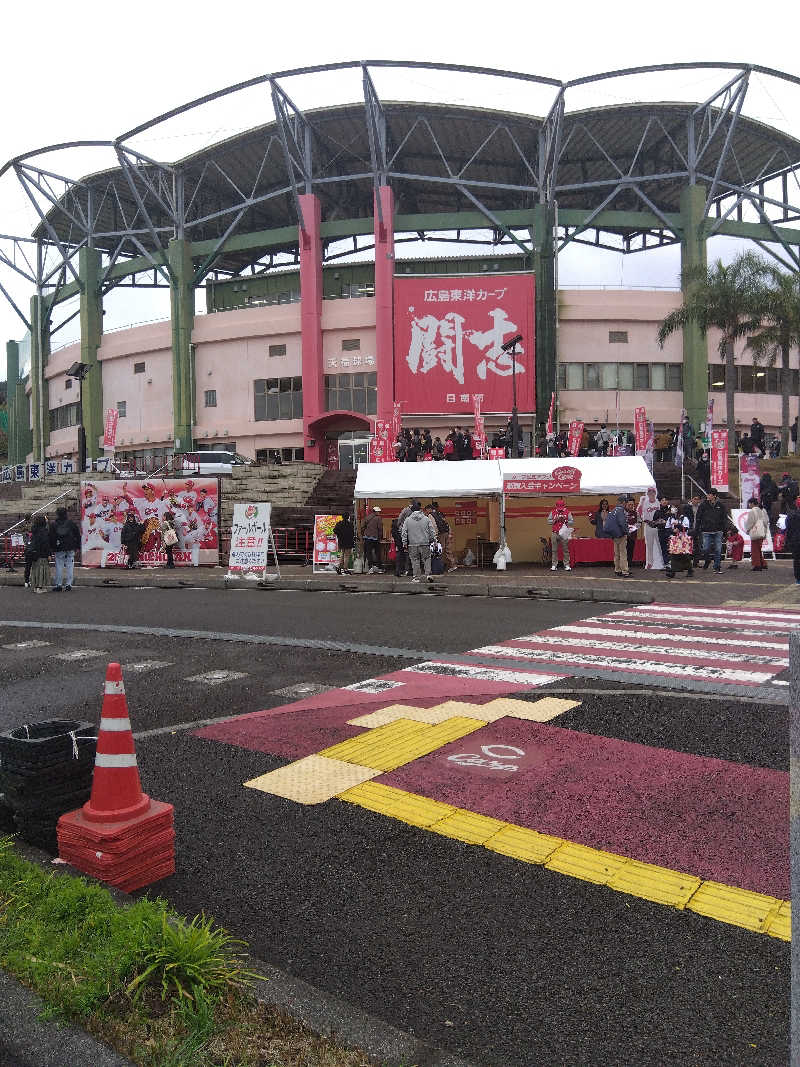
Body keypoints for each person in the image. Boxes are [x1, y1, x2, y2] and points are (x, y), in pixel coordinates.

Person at [401, 502, 438, 583]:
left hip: (412, 544)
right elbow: (432, 530)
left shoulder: (407, 520)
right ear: (420, 510)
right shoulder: (426, 519)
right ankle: (428, 574)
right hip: (424, 542)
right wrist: (434, 540)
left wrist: (404, 542)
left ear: (412, 510)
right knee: (427, 559)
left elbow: (404, 532)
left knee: (415, 560)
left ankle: (417, 577)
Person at [695, 488, 729, 573]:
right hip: (706, 531)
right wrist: (697, 529)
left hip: (718, 530)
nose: (708, 496)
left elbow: (724, 518)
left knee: (718, 549)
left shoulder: (721, 505)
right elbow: (698, 517)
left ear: (714, 496)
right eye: (707, 494)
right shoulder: (703, 505)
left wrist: (725, 530)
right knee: (705, 548)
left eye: (710, 494)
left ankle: (717, 567)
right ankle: (708, 559)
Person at [49, 505, 81, 591]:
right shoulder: (71, 523)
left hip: (59, 547)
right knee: (70, 566)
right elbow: (77, 535)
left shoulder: (53, 524)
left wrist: (52, 548)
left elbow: (51, 537)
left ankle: (58, 584)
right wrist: (78, 546)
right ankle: (69, 584)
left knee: (59, 566)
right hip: (70, 546)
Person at [637, 487, 665, 570]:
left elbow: (662, 512)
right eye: (650, 492)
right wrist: (641, 502)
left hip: (657, 525)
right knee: (649, 545)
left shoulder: (658, 502)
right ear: (648, 493)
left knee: (660, 544)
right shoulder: (644, 502)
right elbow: (639, 511)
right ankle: (649, 562)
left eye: (653, 491)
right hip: (648, 525)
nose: (651, 493)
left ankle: (663, 562)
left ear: (655, 493)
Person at [603, 494, 631, 577]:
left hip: (614, 535)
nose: (626, 504)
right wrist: (627, 532)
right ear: (623, 502)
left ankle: (617, 569)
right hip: (621, 535)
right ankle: (625, 571)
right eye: (626, 503)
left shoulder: (613, 510)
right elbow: (622, 522)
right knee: (623, 553)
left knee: (617, 553)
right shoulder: (620, 511)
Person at [664, 506, 693, 579]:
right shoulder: (670, 518)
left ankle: (690, 570)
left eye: (674, 508)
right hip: (674, 540)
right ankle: (672, 572)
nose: (673, 510)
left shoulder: (684, 518)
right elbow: (667, 528)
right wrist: (672, 531)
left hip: (683, 539)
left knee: (685, 555)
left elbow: (686, 528)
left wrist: (678, 527)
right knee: (673, 555)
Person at [744, 496, 770, 572]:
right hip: (762, 531)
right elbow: (766, 521)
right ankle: (763, 563)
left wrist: (748, 530)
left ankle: (757, 565)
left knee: (755, 549)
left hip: (755, 532)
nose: (749, 505)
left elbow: (750, 523)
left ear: (752, 503)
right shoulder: (762, 510)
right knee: (758, 548)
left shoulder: (753, 511)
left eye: (749, 503)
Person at [547, 498, 574, 571]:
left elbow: (572, 521)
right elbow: (548, 521)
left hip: (564, 533)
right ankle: (554, 565)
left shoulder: (568, 512)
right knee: (554, 550)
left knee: (565, 549)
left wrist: (564, 520)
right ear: (556, 506)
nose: (560, 510)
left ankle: (567, 565)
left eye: (561, 508)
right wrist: (555, 520)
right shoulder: (552, 512)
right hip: (555, 532)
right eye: (559, 508)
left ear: (564, 506)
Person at [429, 500, 456, 572]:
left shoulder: (431, 515)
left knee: (440, 550)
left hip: (441, 534)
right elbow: (446, 523)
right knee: (447, 550)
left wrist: (435, 536)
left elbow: (434, 526)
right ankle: (452, 565)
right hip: (446, 532)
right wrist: (450, 532)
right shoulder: (440, 514)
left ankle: (440, 566)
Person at [28, 514, 52, 594]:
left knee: (35, 570)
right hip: (42, 553)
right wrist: (49, 554)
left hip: (35, 554)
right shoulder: (43, 531)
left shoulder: (34, 530)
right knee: (41, 571)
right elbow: (46, 544)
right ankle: (40, 587)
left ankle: (35, 586)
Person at [362, 506, 383, 574]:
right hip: (375, 538)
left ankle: (370, 567)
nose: (379, 513)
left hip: (367, 537)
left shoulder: (367, 517)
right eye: (378, 511)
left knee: (369, 553)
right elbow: (380, 529)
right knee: (377, 553)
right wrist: (380, 537)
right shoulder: (378, 518)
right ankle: (379, 567)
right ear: (376, 511)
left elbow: (363, 526)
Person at [785, 497, 800, 584]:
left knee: (797, 560)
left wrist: (788, 541)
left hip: (795, 541)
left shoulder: (791, 516)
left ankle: (798, 579)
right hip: (795, 540)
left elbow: (788, 529)